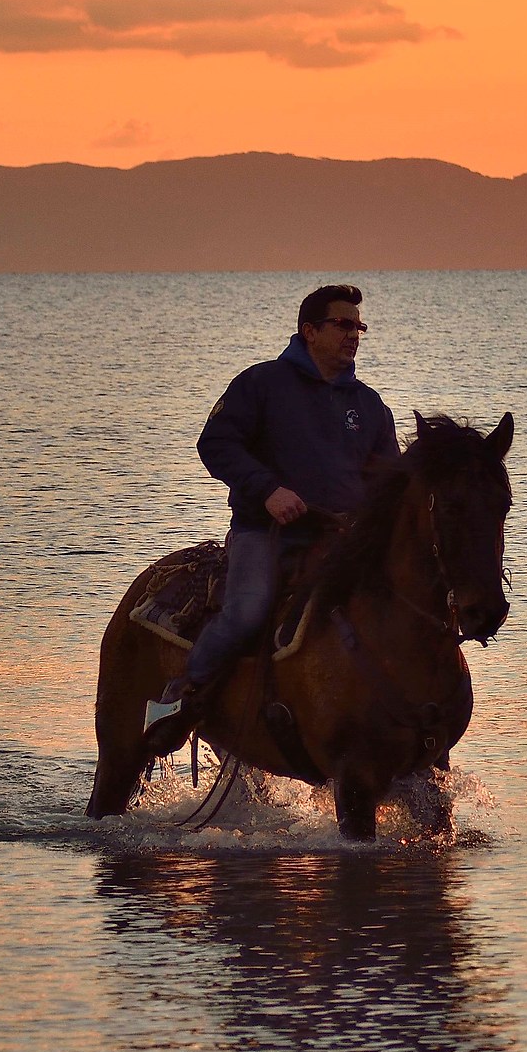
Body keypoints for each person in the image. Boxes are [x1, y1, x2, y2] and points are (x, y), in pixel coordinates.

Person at [144, 285, 400, 743]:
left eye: (358, 326)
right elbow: (216, 444)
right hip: (264, 533)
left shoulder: (370, 406)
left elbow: (389, 481)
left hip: (343, 540)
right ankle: (181, 702)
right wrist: (268, 491)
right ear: (309, 331)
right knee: (247, 611)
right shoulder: (261, 384)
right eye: (342, 324)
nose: (354, 334)